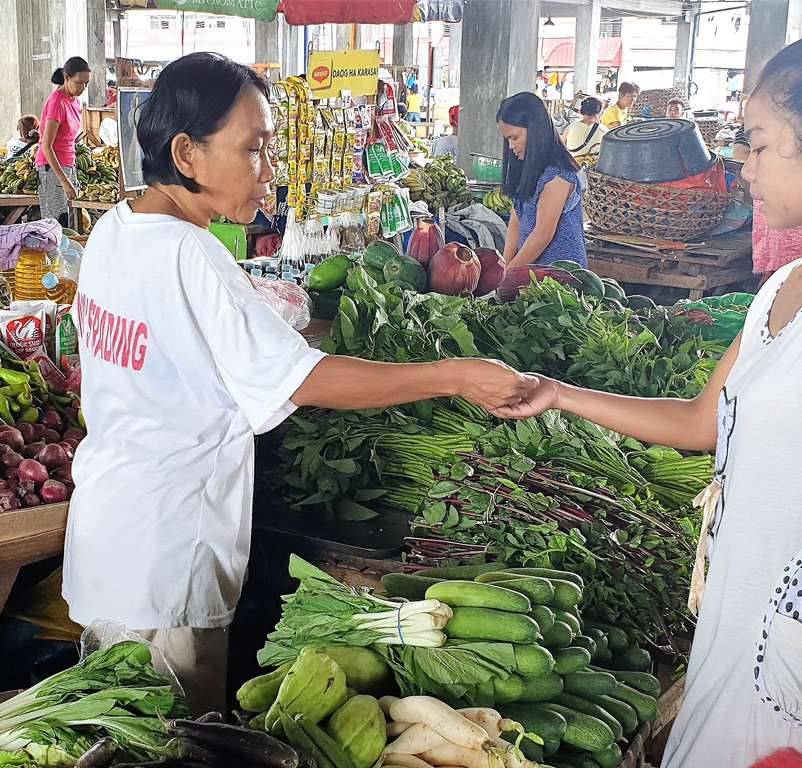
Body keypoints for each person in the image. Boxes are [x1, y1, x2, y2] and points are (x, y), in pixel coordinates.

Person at [494, 35, 802, 767]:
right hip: (737, 606)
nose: (740, 165)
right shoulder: (784, 287)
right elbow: (700, 421)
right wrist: (557, 394)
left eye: (757, 144)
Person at [62, 52, 538, 714]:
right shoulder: (190, 255)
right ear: (187, 154)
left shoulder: (115, 230)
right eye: (254, 150)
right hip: (168, 553)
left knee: (105, 721)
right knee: (170, 737)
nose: (270, 174)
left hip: (109, 532)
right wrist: (454, 374)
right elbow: (303, 379)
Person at [497, 93, 587, 269]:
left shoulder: (558, 175)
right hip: (530, 273)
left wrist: (508, 273)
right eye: (507, 139)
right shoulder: (526, 170)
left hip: (562, 279)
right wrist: (504, 266)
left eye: (514, 137)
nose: (510, 146)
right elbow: (516, 222)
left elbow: (542, 234)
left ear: (536, 130)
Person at [36, 56, 90, 227]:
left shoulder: (75, 101)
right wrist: (64, 180)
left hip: (68, 165)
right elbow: (46, 145)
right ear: (67, 77)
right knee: (56, 224)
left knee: (70, 223)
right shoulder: (57, 102)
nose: (83, 88)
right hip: (51, 169)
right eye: (79, 82)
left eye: (86, 84)